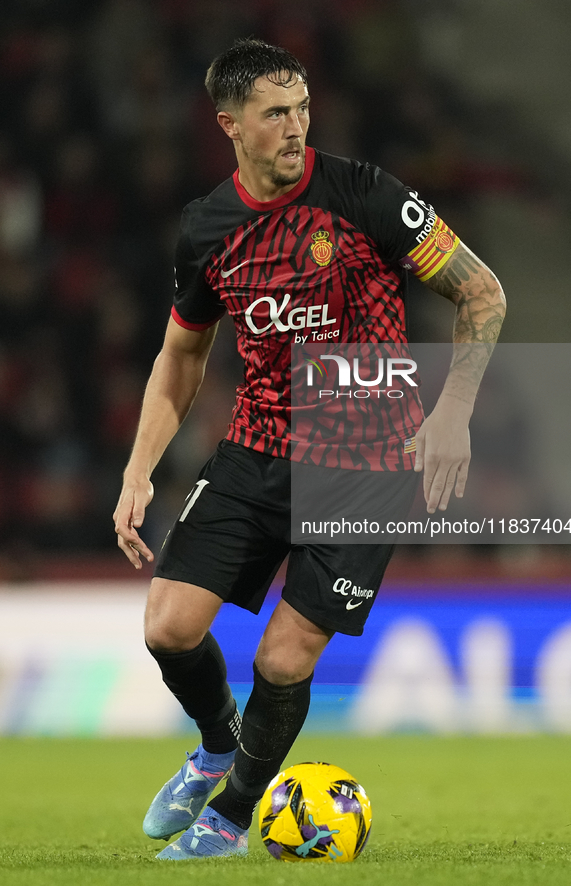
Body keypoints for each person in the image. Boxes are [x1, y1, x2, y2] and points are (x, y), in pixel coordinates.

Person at [113, 38, 506, 860]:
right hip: (256, 449)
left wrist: (453, 411)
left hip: (368, 464)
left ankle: (230, 816)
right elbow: (182, 355)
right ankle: (218, 742)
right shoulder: (207, 229)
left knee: (284, 656)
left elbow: (480, 290)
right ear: (229, 125)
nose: (296, 128)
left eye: (301, 109)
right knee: (168, 627)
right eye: (274, 114)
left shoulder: (364, 194)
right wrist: (138, 468)